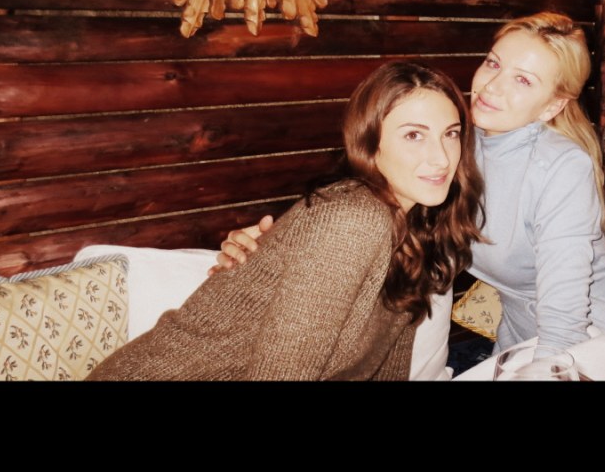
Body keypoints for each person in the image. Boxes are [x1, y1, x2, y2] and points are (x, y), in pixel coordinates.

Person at [215, 12, 605, 356]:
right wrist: (273, 246)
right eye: (493, 63)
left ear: (552, 106)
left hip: (597, 329)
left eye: (523, 80)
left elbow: (565, 302)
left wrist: (551, 365)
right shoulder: (453, 142)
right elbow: (374, 203)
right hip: (518, 332)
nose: (492, 86)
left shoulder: (562, 165)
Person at [86, 61, 484, 381]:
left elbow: (385, 369)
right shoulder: (352, 220)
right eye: (414, 135)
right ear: (369, 143)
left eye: (450, 134)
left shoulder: (418, 230)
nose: (441, 158)